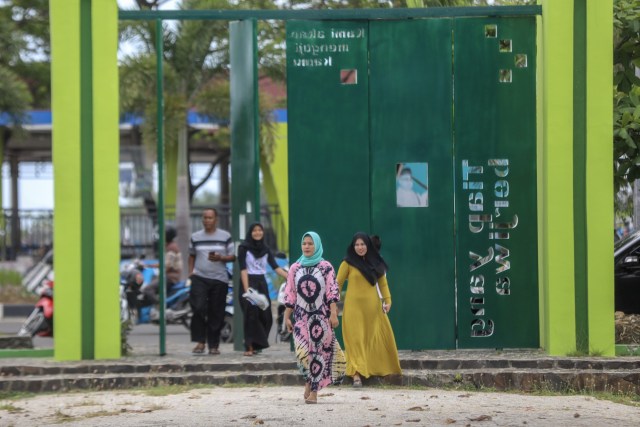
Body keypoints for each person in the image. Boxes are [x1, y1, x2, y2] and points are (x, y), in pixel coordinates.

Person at [284, 231, 346, 404]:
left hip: (320, 318)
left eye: (310, 243)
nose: (307, 246)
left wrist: (334, 314)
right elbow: (290, 293)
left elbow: (331, 292)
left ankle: (314, 391)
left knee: (317, 354)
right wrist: (287, 317)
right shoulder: (295, 267)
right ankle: (308, 380)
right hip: (301, 317)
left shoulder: (325, 267)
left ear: (316, 245)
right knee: (303, 353)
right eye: (304, 243)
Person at [336, 232, 401, 388]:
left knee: (371, 339)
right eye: (357, 245)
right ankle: (356, 374)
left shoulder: (376, 262)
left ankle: (373, 368)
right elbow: (336, 285)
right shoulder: (347, 263)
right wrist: (331, 306)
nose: (360, 247)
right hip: (353, 309)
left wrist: (388, 300)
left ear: (368, 246)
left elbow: (383, 284)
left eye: (363, 244)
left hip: (373, 308)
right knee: (355, 339)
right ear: (353, 247)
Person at [188, 208, 236, 355]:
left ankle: (213, 345)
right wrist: (191, 272)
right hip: (200, 277)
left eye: (210, 218)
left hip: (219, 279)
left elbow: (233, 256)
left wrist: (221, 258)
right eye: (205, 218)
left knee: (216, 312)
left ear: (216, 220)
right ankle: (200, 342)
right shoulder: (195, 237)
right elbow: (191, 256)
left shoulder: (225, 236)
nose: (207, 220)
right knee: (198, 308)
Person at [237, 222, 288, 356]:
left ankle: (258, 344)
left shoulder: (266, 249)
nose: (257, 233)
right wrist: (247, 290)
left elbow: (276, 267)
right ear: (250, 232)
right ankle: (249, 346)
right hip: (248, 282)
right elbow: (243, 269)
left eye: (260, 230)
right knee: (251, 315)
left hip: (261, 283)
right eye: (254, 230)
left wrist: (291, 277)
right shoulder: (243, 248)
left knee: (266, 316)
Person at [142, 227, 183, 304]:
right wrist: (149, 265)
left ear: (167, 236)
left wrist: (159, 273)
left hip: (170, 278)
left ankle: (160, 306)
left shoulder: (171, 247)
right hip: (170, 276)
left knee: (147, 289)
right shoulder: (171, 246)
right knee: (153, 279)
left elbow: (167, 266)